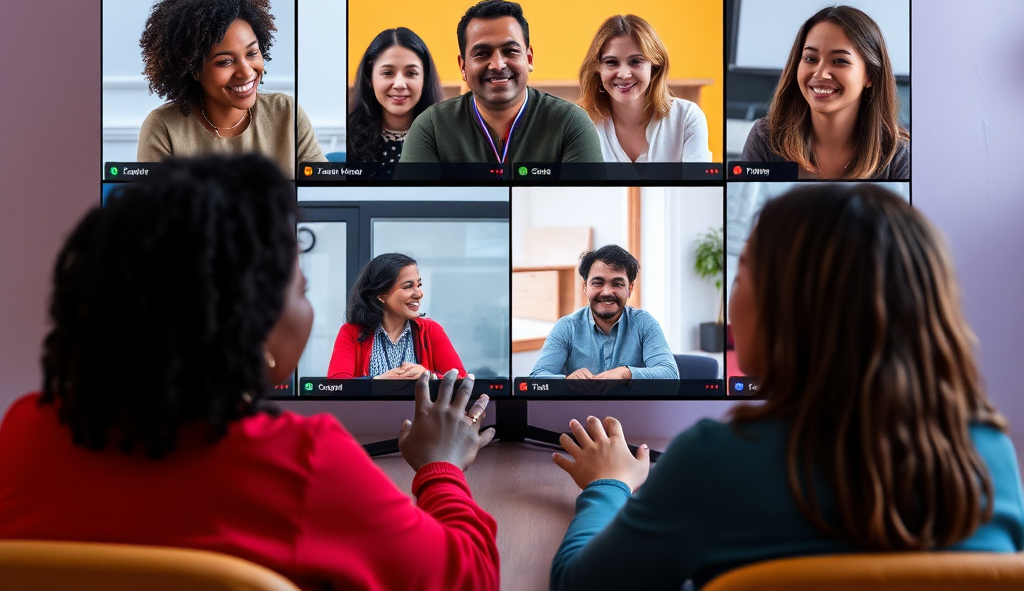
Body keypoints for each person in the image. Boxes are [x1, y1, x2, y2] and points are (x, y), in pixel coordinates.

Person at [0, 155, 499, 591]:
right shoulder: (305, 462)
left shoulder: (23, 431)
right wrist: (441, 466)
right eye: (300, 290)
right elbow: (471, 577)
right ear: (252, 325)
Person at [548, 184, 1024, 590]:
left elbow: (578, 584)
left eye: (742, 275)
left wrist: (609, 483)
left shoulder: (713, 461)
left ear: (788, 307)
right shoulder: (990, 451)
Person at [135, 0, 324, 178]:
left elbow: (323, 189)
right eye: (225, 62)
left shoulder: (287, 113)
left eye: (252, 53)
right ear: (194, 69)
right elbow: (156, 199)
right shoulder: (163, 127)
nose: (246, 72)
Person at [397, 0, 603, 168]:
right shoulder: (431, 127)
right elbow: (416, 204)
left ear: (529, 58)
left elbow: (583, 201)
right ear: (463, 66)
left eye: (510, 51)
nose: (497, 64)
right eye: (482, 53)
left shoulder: (570, 123)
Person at [740, 5, 909, 179]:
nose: (820, 74)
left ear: (871, 75)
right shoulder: (766, 138)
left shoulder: (900, 155)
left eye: (840, 61)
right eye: (810, 59)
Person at [578, 14, 712, 164]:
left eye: (636, 61)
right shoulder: (579, 125)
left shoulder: (686, 117)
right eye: (611, 62)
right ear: (597, 69)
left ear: (655, 65)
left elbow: (698, 178)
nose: (624, 74)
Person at [530, 245, 678, 380]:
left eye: (617, 284)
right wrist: (567, 382)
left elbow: (671, 376)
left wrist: (626, 373)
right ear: (585, 287)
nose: (607, 292)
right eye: (598, 283)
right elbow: (536, 379)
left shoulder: (644, 323)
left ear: (630, 289)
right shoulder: (567, 327)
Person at [328, 254, 466, 379]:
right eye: (408, 286)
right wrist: (376, 381)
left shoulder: (431, 330)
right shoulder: (352, 332)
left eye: (419, 285)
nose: (419, 294)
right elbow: (336, 386)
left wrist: (429, 377)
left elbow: (462, 381)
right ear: (381, 295)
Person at [347, 27, 445, 179]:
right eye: (387, 73)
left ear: (424, 79)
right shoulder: (348, 138)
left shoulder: (447, 137)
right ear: (369, 78)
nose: (399, 84)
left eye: (411, 73)